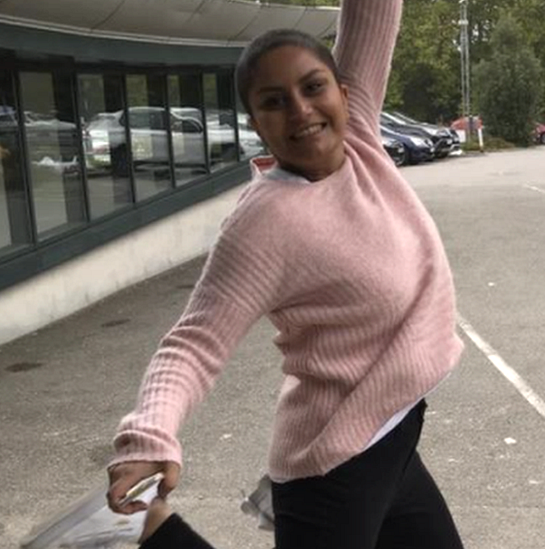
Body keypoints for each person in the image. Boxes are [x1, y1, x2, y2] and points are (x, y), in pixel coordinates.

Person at [105, 0, 465, 547]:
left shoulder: (361, 138)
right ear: (256, 125)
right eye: (274, 103)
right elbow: (193, 344)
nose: (300, 110)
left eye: (313, 87)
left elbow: (374, 15)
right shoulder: (264, 223)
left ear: (344, 94)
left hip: (392, 438)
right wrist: (148, 437)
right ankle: (155, 534)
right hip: (334, 465)